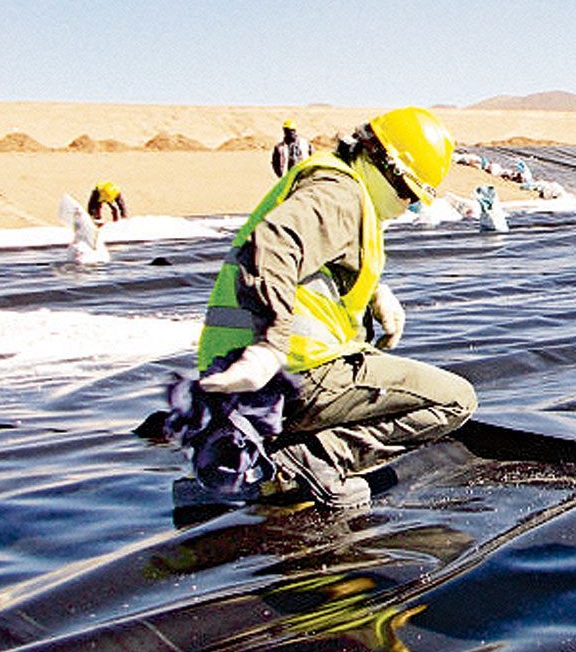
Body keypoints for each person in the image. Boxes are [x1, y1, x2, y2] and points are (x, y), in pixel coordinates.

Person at [188, 106, 478, 508]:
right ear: (387, 167)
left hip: (239, 372)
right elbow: (274, 244)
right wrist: (269, 348)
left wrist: (375, 293)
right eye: (409, 194)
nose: (407, 207)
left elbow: (313, 260)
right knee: (455, 399)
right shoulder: (341, 194)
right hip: (285, 373)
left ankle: (275, 454)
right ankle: (314, 458)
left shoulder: (337, 183)